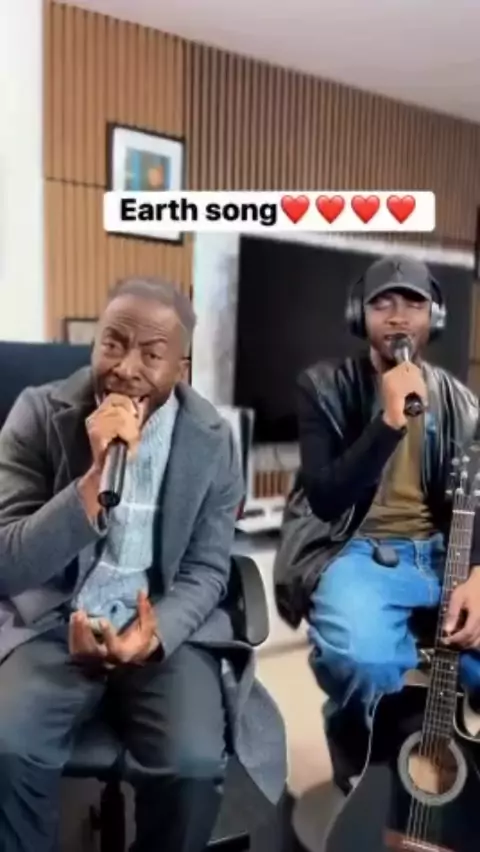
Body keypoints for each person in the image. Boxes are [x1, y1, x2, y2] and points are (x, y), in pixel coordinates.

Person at [0, 277, 286, 851]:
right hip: (53, 622)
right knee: (8, 747)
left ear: (181, 367)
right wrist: (90, 482)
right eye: (112, 343)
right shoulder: (38, 413)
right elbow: (8, 562)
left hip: (160, 628)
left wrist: (155, 636)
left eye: (151, 355)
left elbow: (208, 570)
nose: (125, 369)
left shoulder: (213, 442)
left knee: (194, 764)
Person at [275, 254, 480, 789]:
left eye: (413, 303)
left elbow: (476, 498)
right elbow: (326, 498)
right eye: (382, 303)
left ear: (433, 318)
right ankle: (363, 757)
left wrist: (478, 574)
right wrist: (388, 422)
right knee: (363, 661)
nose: (397, 316)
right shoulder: (323, 387)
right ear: (358, 315)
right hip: (354, 548)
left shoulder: (461, 403)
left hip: (441, 550)